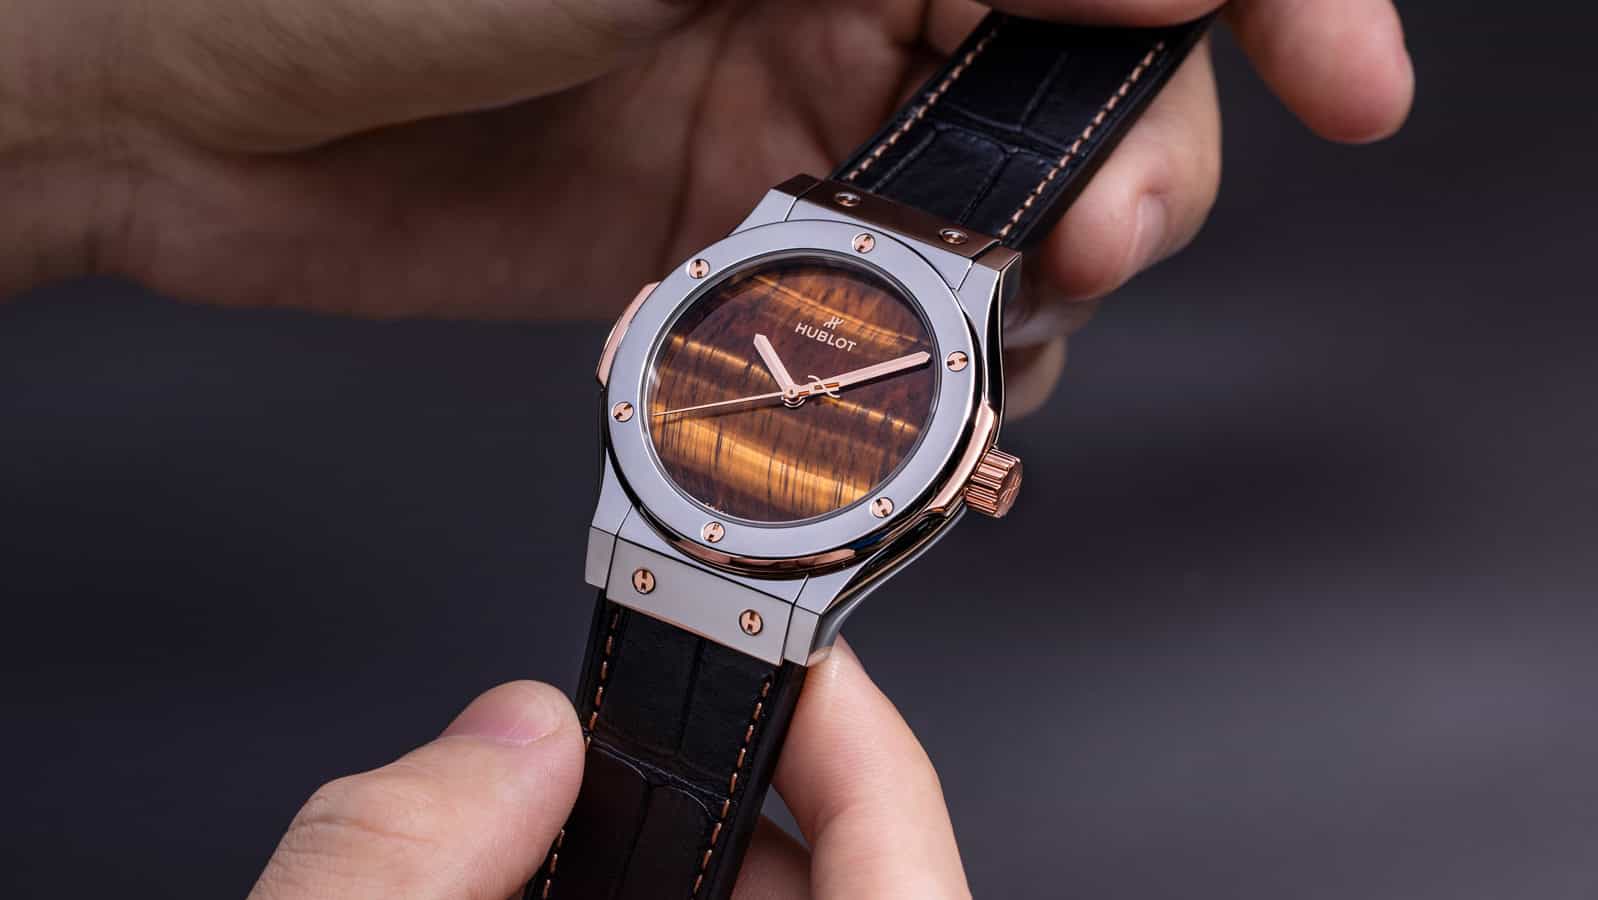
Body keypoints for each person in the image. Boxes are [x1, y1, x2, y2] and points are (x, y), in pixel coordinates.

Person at [2, 0, 1413, 895]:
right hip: (699, 504)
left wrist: (95, 97)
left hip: (724, 520)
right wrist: (101, 89)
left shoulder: (833, 288)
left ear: (964, 477)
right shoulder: (761, 264)